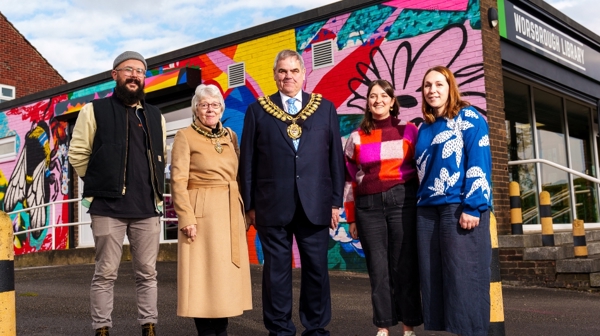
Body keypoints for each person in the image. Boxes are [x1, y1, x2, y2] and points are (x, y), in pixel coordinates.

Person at [239, 49, 345, 336]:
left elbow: (335, 158)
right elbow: (247, 162)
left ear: (303, 74)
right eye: (282, 71)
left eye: (294, 71)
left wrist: (335, 202)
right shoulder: (257, 110)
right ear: (274, 75)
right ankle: (280, 329)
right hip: (271, 206)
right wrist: (249, 206)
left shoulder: (325, 108)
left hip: (316, 203)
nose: (288, 76)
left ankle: (316, 327)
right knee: (276, 273)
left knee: (316, 270)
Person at [69, 51, 165, 336]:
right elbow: (77, 154)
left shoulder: (155, 115)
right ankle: (102, 328)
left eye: (140, 71)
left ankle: (149, 326)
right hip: (107, 208)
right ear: (115, 75)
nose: (135, 75)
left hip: (147, 209)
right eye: (128, 70)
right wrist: (101, 181)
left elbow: (161, 157)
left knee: (147, 274)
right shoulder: (93, 110)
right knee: (105, 274)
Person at [414, 66, 492, 336]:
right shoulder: (423, 127)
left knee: (464, 280)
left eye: (438, 84)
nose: (432, 90)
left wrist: (474, 206)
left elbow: (479, 160)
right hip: (427, 211)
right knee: (435, 280)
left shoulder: (468, 117)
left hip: (458, 206)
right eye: (427, 86)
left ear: (450, 87)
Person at [170, 84, 252, 335]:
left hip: (229, 213)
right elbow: (177, 180)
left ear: (221, 109)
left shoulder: (230, 136)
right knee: (203, 279)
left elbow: (238, 176)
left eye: (215, 105)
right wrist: (186, 217)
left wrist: (244, 210)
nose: (209, 110)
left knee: (225, 279)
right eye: (204, 105)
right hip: (201, 217)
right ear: (196, 108)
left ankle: (222, 330)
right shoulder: (185, 136)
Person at [343, 79, 423, 336]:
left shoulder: (409, 131)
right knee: (378, 269)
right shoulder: (356, 137)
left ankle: (408, 326)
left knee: (404, 266)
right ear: (367, 103)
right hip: (368, 208)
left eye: (383, 96)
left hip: (403, 202)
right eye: (372, 96)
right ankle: (383, 327)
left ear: (392, 101)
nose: (377, 100)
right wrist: (351, 218)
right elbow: (348, 180)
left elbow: (421, 169)